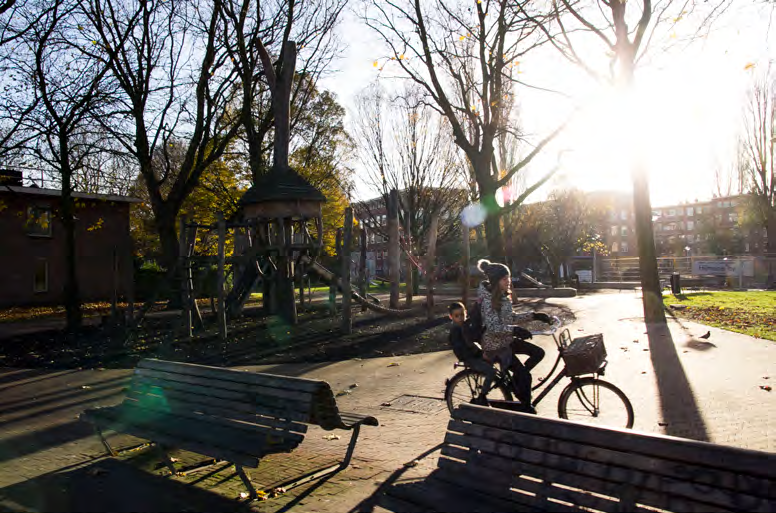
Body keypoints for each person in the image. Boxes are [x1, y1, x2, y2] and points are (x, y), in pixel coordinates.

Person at [477, 259, 549, 413]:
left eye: (508, 277)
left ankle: (515, 380)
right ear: (496, 281)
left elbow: (511, 318)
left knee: (538, 353)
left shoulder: (502, 296)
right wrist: (515, 330)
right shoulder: (488, 301)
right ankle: (525, 408)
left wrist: (534, 315)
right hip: (495, 345)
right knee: (525, 376)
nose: (508, 281)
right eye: (505, 279)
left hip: (506, 340)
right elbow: (493, 327)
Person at [447, 301, 495, 404]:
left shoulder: (465, 325)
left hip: (474, 355)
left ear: (466, 313)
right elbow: (469, 344)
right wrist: (481, 352)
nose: (460, 318)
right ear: (451, 317)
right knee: (491, 372)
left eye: (462, 315)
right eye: (456, 316)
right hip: (470, 358)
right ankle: (482, 396)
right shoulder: (457, 330)